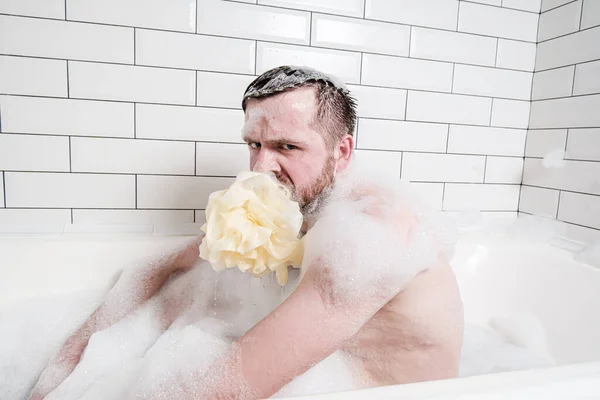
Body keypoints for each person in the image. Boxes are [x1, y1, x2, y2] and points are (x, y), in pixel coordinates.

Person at [28, 66, 464, 400]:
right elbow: (170, 265)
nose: (260, 167)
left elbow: (227, 388)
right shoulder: (295, 213)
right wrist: (60, 369)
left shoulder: (372, 233)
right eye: (254, 144)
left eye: (286, 147)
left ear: (342, 151)